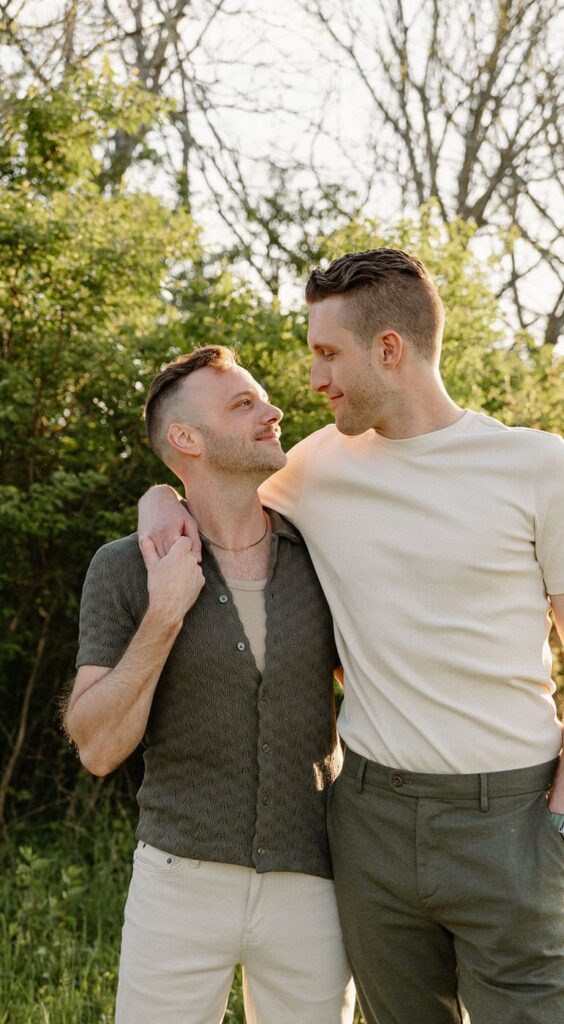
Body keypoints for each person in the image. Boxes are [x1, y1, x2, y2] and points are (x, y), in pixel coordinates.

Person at [139, 249, 564, 1024]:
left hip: (512, 820)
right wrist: (156, 501)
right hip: (368, 822)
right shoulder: (315, 468)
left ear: (389, 349)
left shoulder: (535, 466)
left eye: (327, 353)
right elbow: (212, 483)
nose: (313, 379)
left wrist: (563, 824)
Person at [65, 346, 355, 1024]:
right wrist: (166, 609)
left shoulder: (324, 552)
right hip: (178, 881)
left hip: (311, 882)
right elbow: (98, 747)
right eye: (243, 404)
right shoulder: (125, 569)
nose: (271, 410)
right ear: (186, 439)